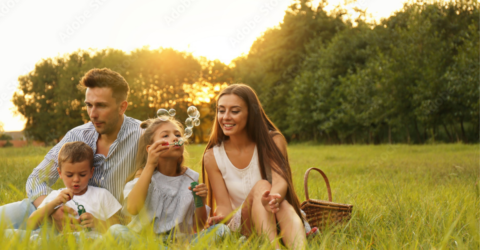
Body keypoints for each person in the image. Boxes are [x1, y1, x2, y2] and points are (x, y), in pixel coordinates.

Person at [0, 68, 142, 230]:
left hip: (106, 227)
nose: (93, 114)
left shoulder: (143, 136)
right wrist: (53, 210)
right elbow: (37, 179)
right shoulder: (77, 135)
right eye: (89, 105)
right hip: (47, 212)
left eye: (101, 106)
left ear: (122, 107)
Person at [202, 84, 307, 249]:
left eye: (234, 111)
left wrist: (273, 199)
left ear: (251, 114)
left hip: (275, 214)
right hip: (243, 226)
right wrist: (219, 217)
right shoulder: (212, 156)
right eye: (221, 110)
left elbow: (280, 181)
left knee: (279, 202)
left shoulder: (273, 141)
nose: (225, 117)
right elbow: (223, 205)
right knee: (263, 186)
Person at [108, 117, 208, 241]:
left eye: (178, 135)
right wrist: (149, 165)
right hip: (146, 242)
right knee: (116, 230)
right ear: (150, 149)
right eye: (165, 136)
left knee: (221, 230)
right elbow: (132, 208)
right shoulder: (144, 176)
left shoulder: (191, 178)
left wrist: (201, 202)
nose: (175, 138)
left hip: (180, 243)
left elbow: (198, 227)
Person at [5, 141, 121, 240]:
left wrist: (98, 223)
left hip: (92, 240)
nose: (76, 180)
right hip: (60, 240)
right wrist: (55, 203)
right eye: (69, 175)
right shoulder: (55, 196)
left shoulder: (101, 195)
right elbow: (31, 223)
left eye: (82, 174)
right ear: (60, 173)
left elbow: (119, 224)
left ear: (91, 172)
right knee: (16, 234)